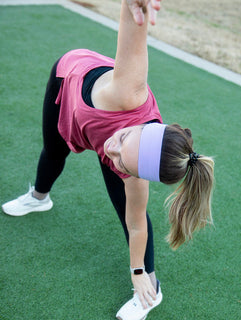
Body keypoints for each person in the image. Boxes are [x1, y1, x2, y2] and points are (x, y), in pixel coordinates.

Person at [1, 0, 214, 319]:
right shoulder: (130, 90)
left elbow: (137, 224)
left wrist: (138, 271)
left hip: (98, 124)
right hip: (68, 77)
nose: (112, 151)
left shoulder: (133, 172)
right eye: (124, 141)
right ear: (140, 127)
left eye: (122, 163)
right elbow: (134, 23)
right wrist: (134, 3)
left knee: (126, 208)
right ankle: (38, 197)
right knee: (54, 151)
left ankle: (151, 290)